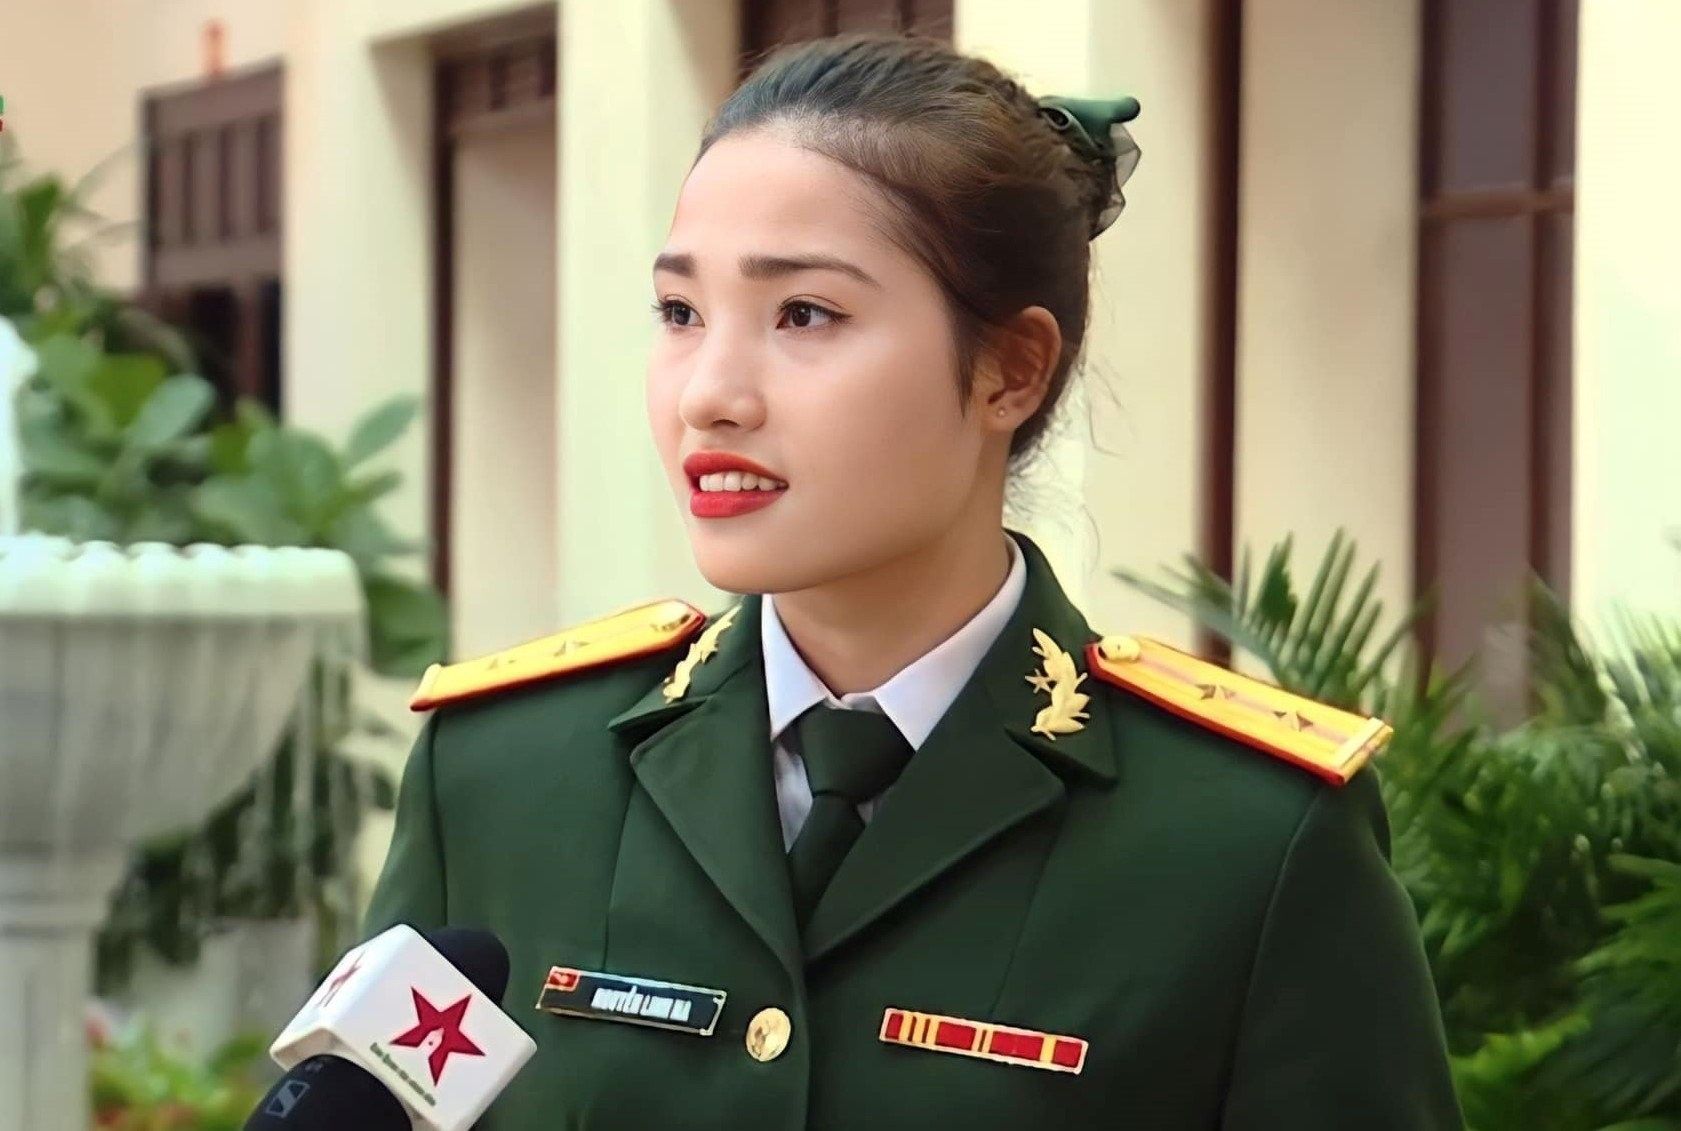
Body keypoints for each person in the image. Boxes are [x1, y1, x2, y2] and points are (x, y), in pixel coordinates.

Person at [363, 30, 1463, 1129]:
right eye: (681, 313)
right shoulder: (503, 777)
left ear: (1010, 370)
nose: (708, 395)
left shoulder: (1244, 838)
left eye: (804, 314)